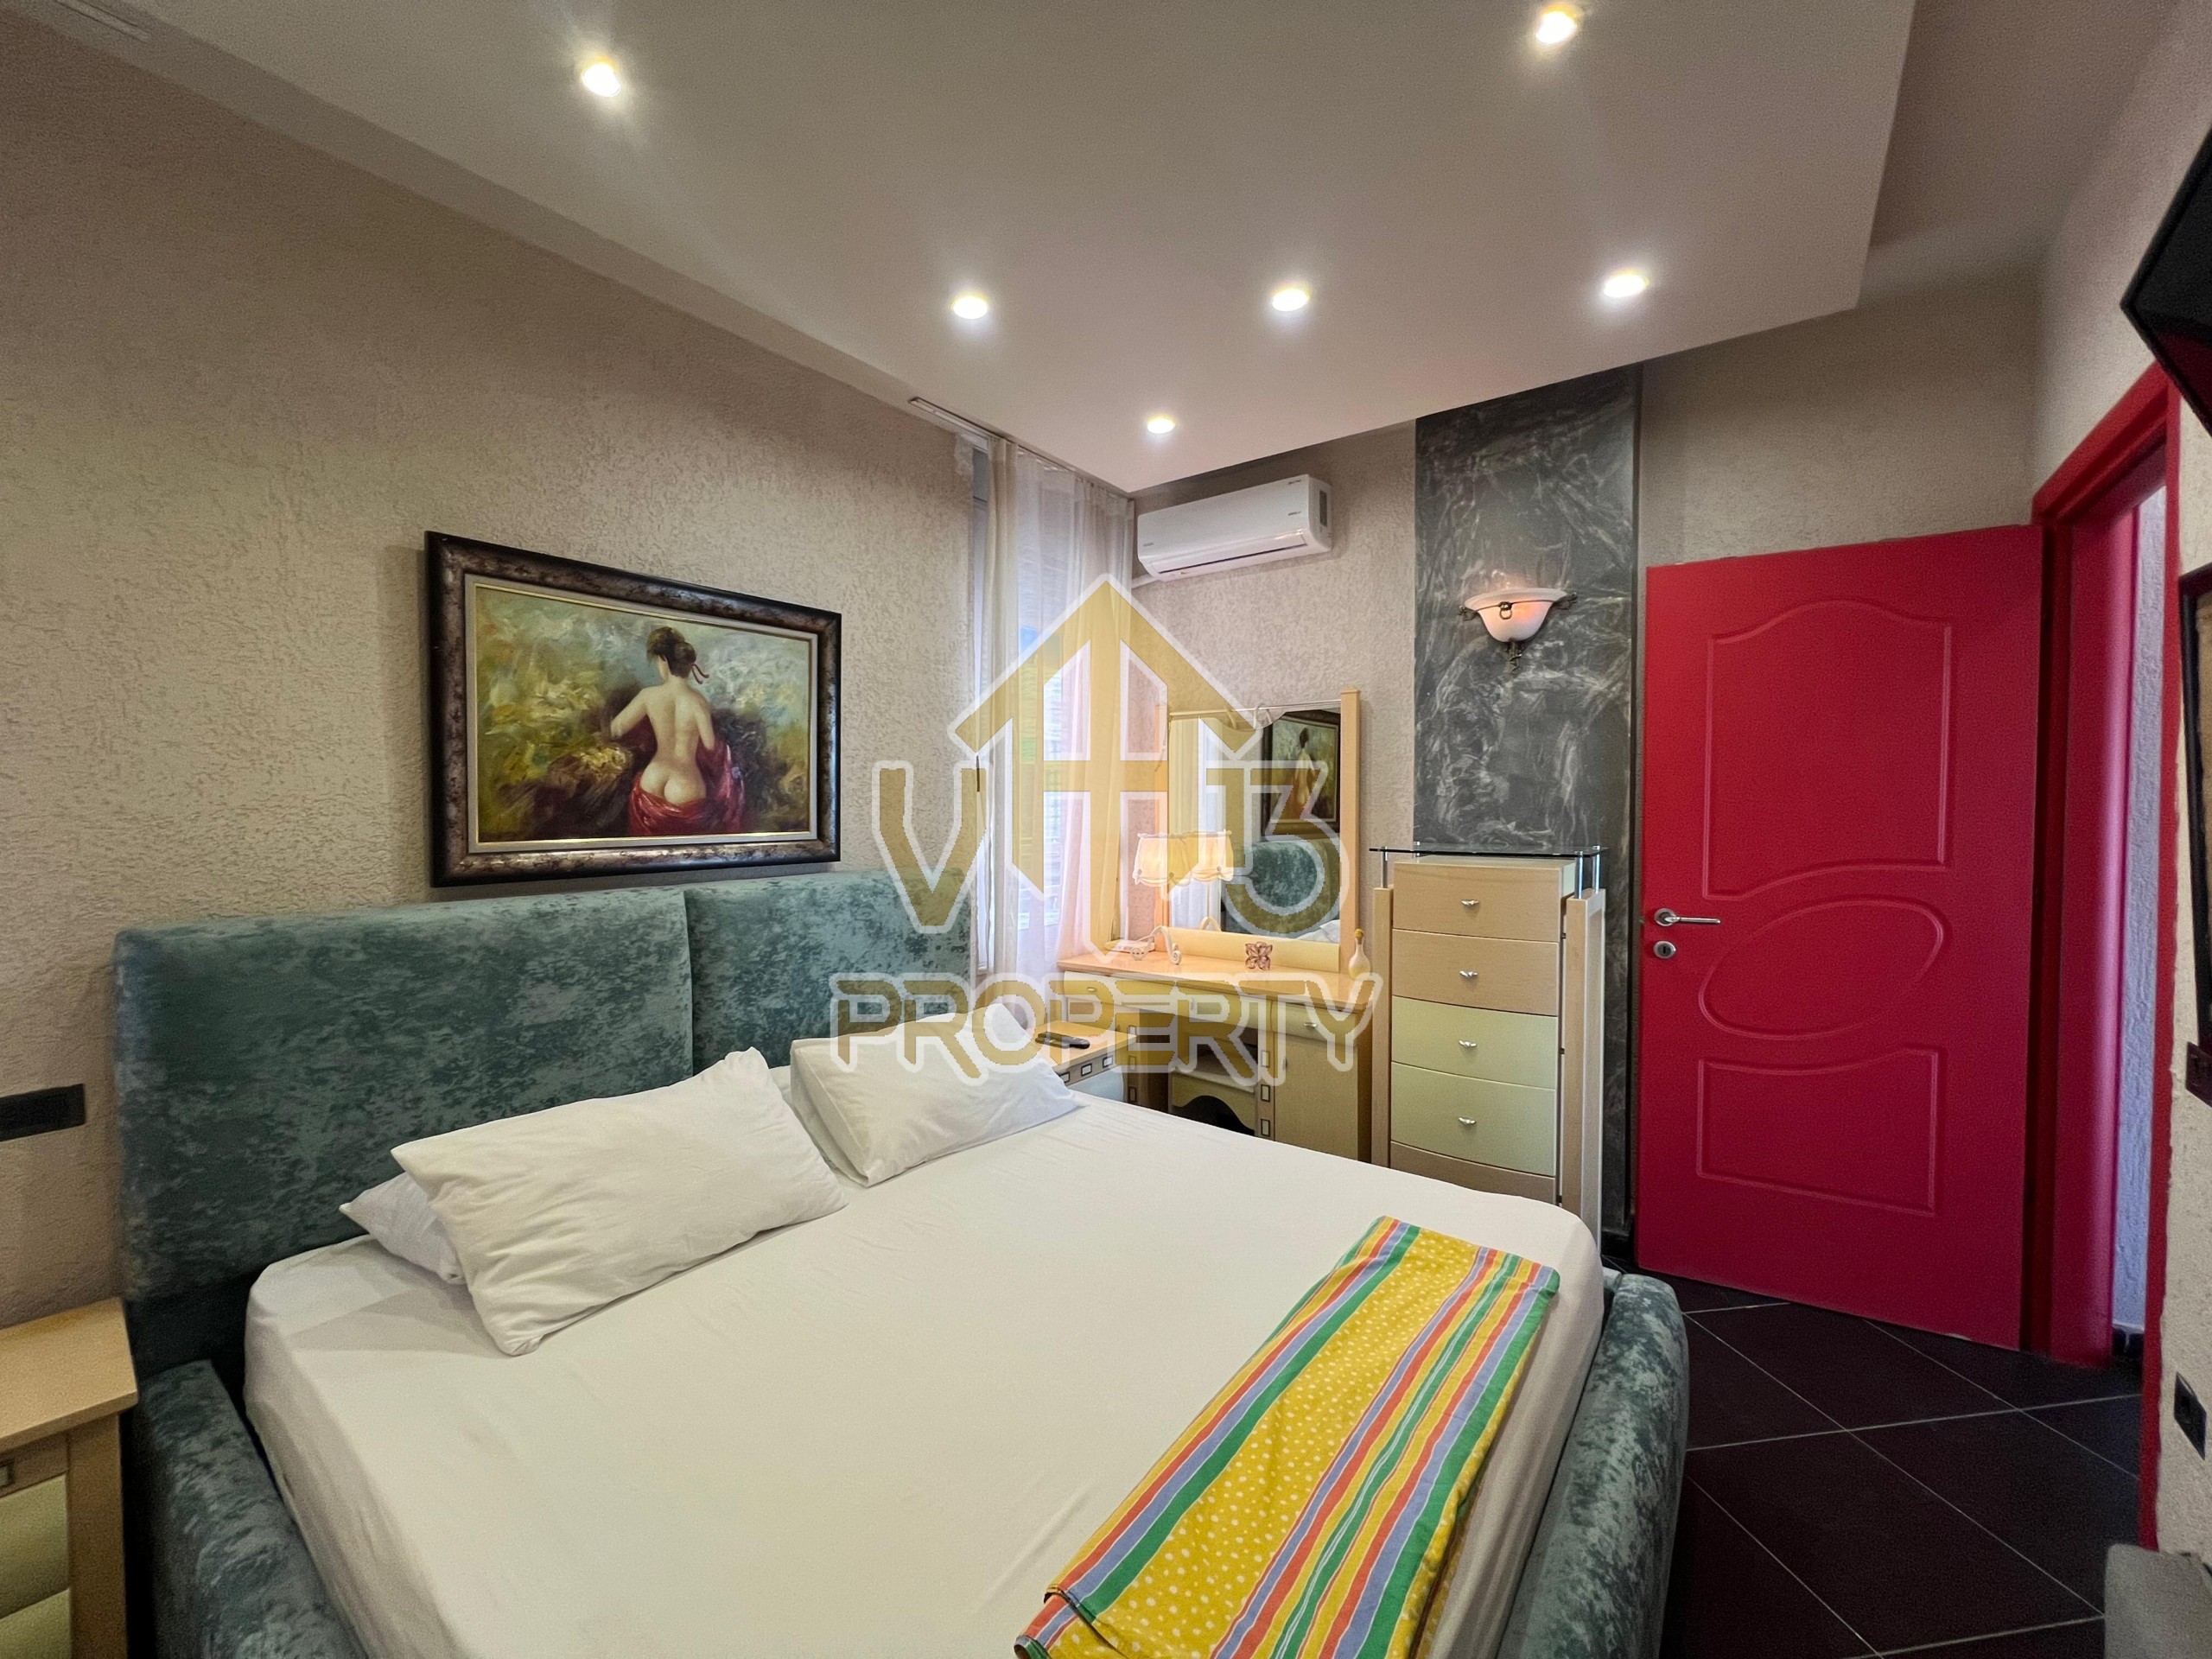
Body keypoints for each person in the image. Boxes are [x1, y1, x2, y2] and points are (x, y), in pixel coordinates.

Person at [611, 626, 745, 836]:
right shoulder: (698, 701)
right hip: (686, 783)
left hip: (653, 777)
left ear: (664, 660)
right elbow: (710, 745)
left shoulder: (648, 695)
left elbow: (617, 729)